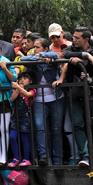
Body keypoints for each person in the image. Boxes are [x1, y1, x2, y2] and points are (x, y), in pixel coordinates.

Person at [21, 38, 66, 166]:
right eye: (34, 47)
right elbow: (22, 59)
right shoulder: (33, 58)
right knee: (39, 127)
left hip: (56, 98)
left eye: (37, 47)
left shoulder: (51, 59)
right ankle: (43, 157)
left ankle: (58, 159)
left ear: (45, 48)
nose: (34, 49)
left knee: (56, 129)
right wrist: (37, 58)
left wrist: (44, 56)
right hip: (39, 100)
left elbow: (55, 55)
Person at [63, 27, 93, 167]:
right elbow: (66, 54)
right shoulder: (72, 49)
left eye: (77, 38)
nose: (73, 40)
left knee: (92, 126)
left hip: (91, 96)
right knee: (77, 125)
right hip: (74, 96)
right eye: (73, 37)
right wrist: (86, 56)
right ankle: (85, 155)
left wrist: (83, 61)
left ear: (86, 39)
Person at [8, 72, 36, 168]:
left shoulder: (32, 89)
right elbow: (11, 99)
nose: (22, 80)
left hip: (25, 116)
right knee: (12, 137)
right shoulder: (17, 90)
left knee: (24, 138)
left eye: (25, 78)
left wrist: (19, 88)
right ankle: (16, 158)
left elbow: (28, 94)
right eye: (20, 78)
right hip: (15, 116)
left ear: (31, 81)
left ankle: (26, 159)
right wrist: (17, 89)